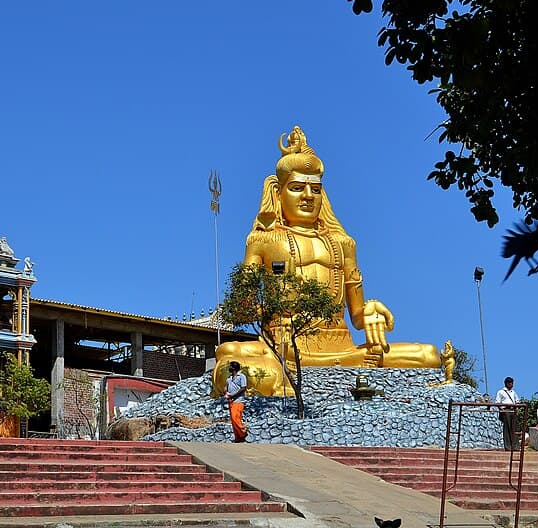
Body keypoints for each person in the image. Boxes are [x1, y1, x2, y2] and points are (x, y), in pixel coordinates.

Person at [214, 126, 440, 396]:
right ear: (278, 192)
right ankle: (276, 377)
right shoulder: (263, 241)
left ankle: (286, 380)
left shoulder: (344, 245)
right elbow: (243, 310)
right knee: (229, 355)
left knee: (429, 355)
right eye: (297, 188)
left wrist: (370, 312)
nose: (308, 197)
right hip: (284, 347)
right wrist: (272, 315)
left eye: (316, 189)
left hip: (342, 347)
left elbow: (356, 316)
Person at [224, 361, 248, 443]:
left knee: (235, 418)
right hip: (231, 401)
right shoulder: (229, 379)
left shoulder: (241, 376)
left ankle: (243, 431)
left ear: (234, 368)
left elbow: (243, 388)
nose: (229, 368)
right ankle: (238, 438)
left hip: (238, 401)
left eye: (230, 367)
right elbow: (226, 388)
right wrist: (226, 393)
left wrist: (233, 396)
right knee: (233, 421)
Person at [496, 376, 521, 450]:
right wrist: (502, 410)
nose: (511, 384)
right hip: (506, 410)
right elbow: (497, 402)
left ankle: (515, 446)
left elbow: (517, 401)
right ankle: (508, 447)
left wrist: (517, 408)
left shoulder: (513, 392)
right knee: (507, 429)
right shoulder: (501, 392)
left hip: (513, 410)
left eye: (512, 383)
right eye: (510, 383)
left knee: (514, 428)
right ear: (506, 383)